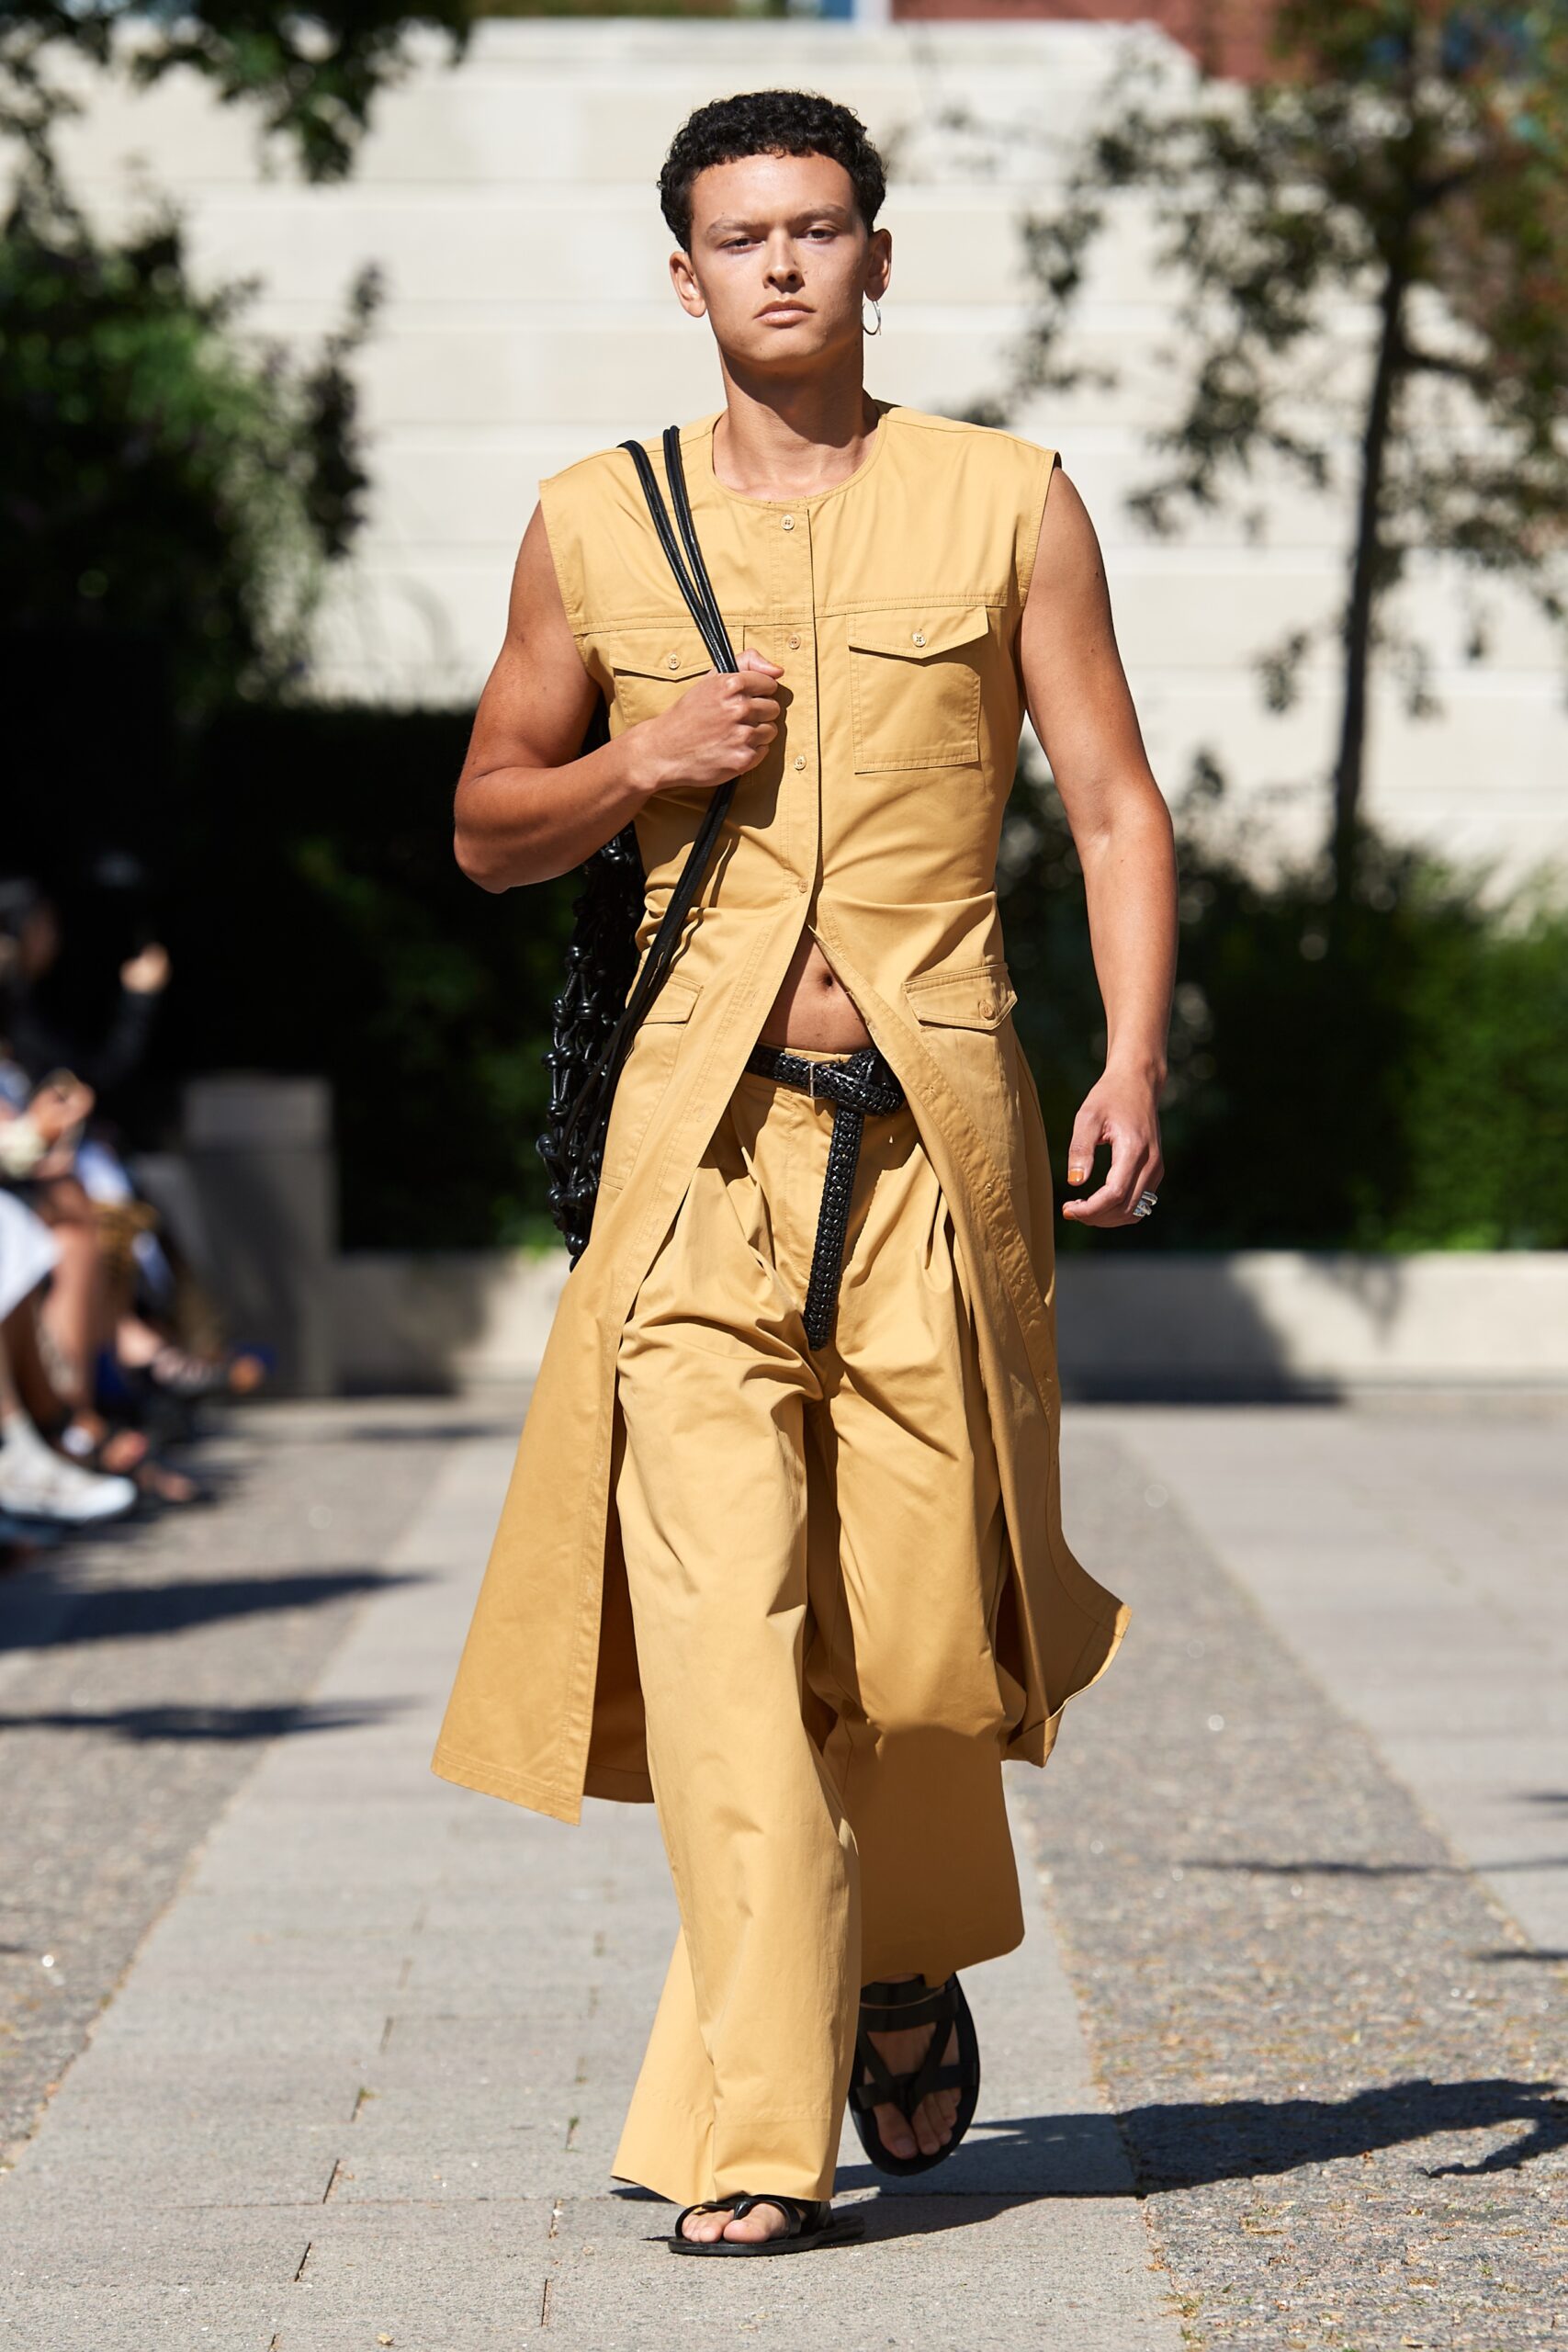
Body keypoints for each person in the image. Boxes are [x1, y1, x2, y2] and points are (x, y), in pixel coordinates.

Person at [433, 90, 1176, 2256]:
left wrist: (1130, 1050)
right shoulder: (593, 519)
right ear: (683, 275)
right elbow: (487, 822)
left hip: (938, 1144)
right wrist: (634, 760)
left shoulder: (1009, 502)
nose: (781, 263)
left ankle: (897, 1928)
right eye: (740, 235)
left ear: (874, 254)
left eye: (819, 226)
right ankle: (758, 2133)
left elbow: (1113, 803)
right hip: (699, 1155)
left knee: (932, 1642)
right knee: (732, 1635)